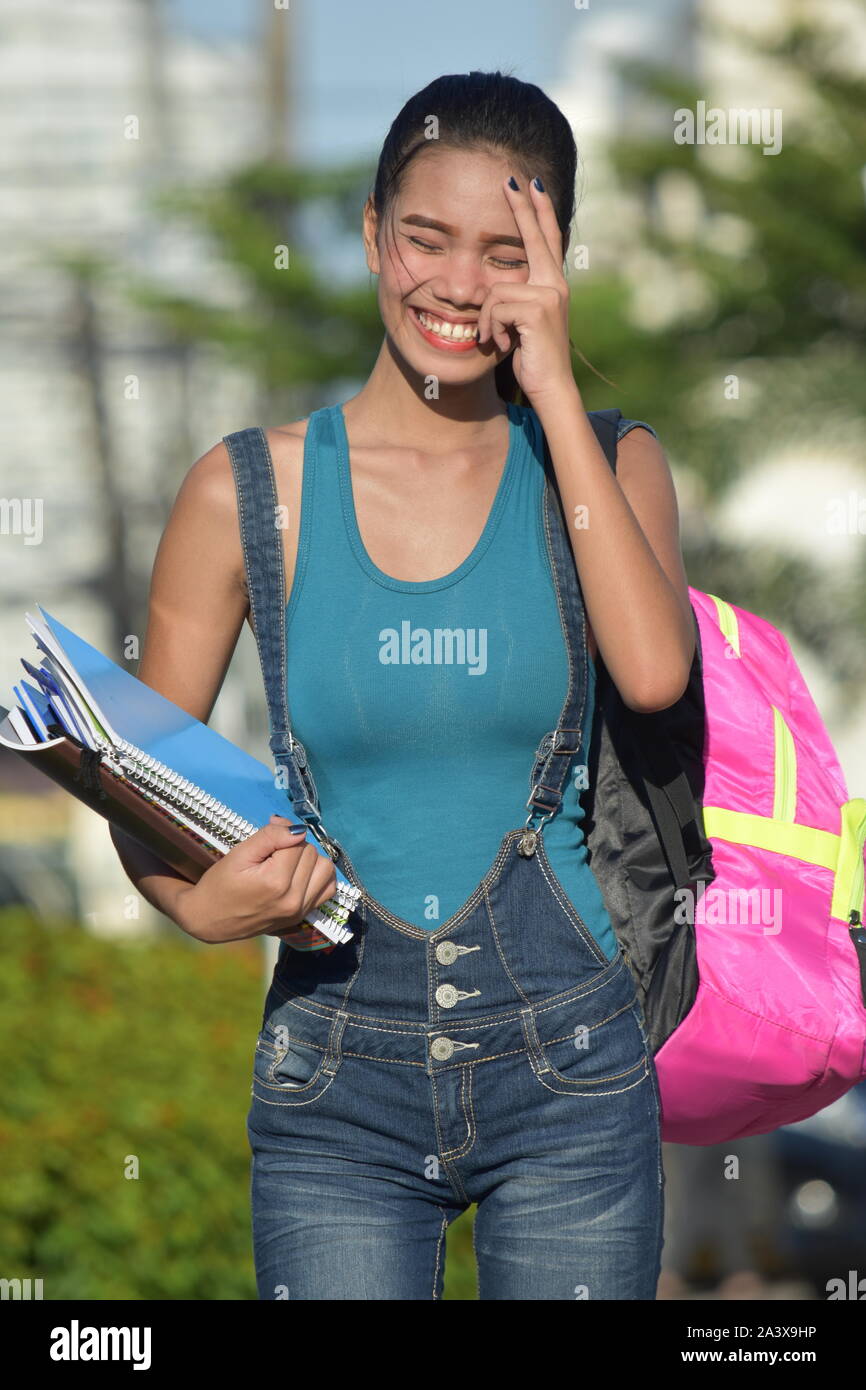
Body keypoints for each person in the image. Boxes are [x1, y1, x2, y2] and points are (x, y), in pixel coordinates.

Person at [111, 70, 695, 1300]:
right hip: (334, 1080)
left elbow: (650, 670)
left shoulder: (608, 462)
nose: (454, 282)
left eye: (502, 249)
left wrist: (552, 391)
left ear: (553, 259)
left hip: (572, 1067)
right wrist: (194, 903)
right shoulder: (245, 495)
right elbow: (137, 774)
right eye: (424, 237)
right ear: (373, 234)